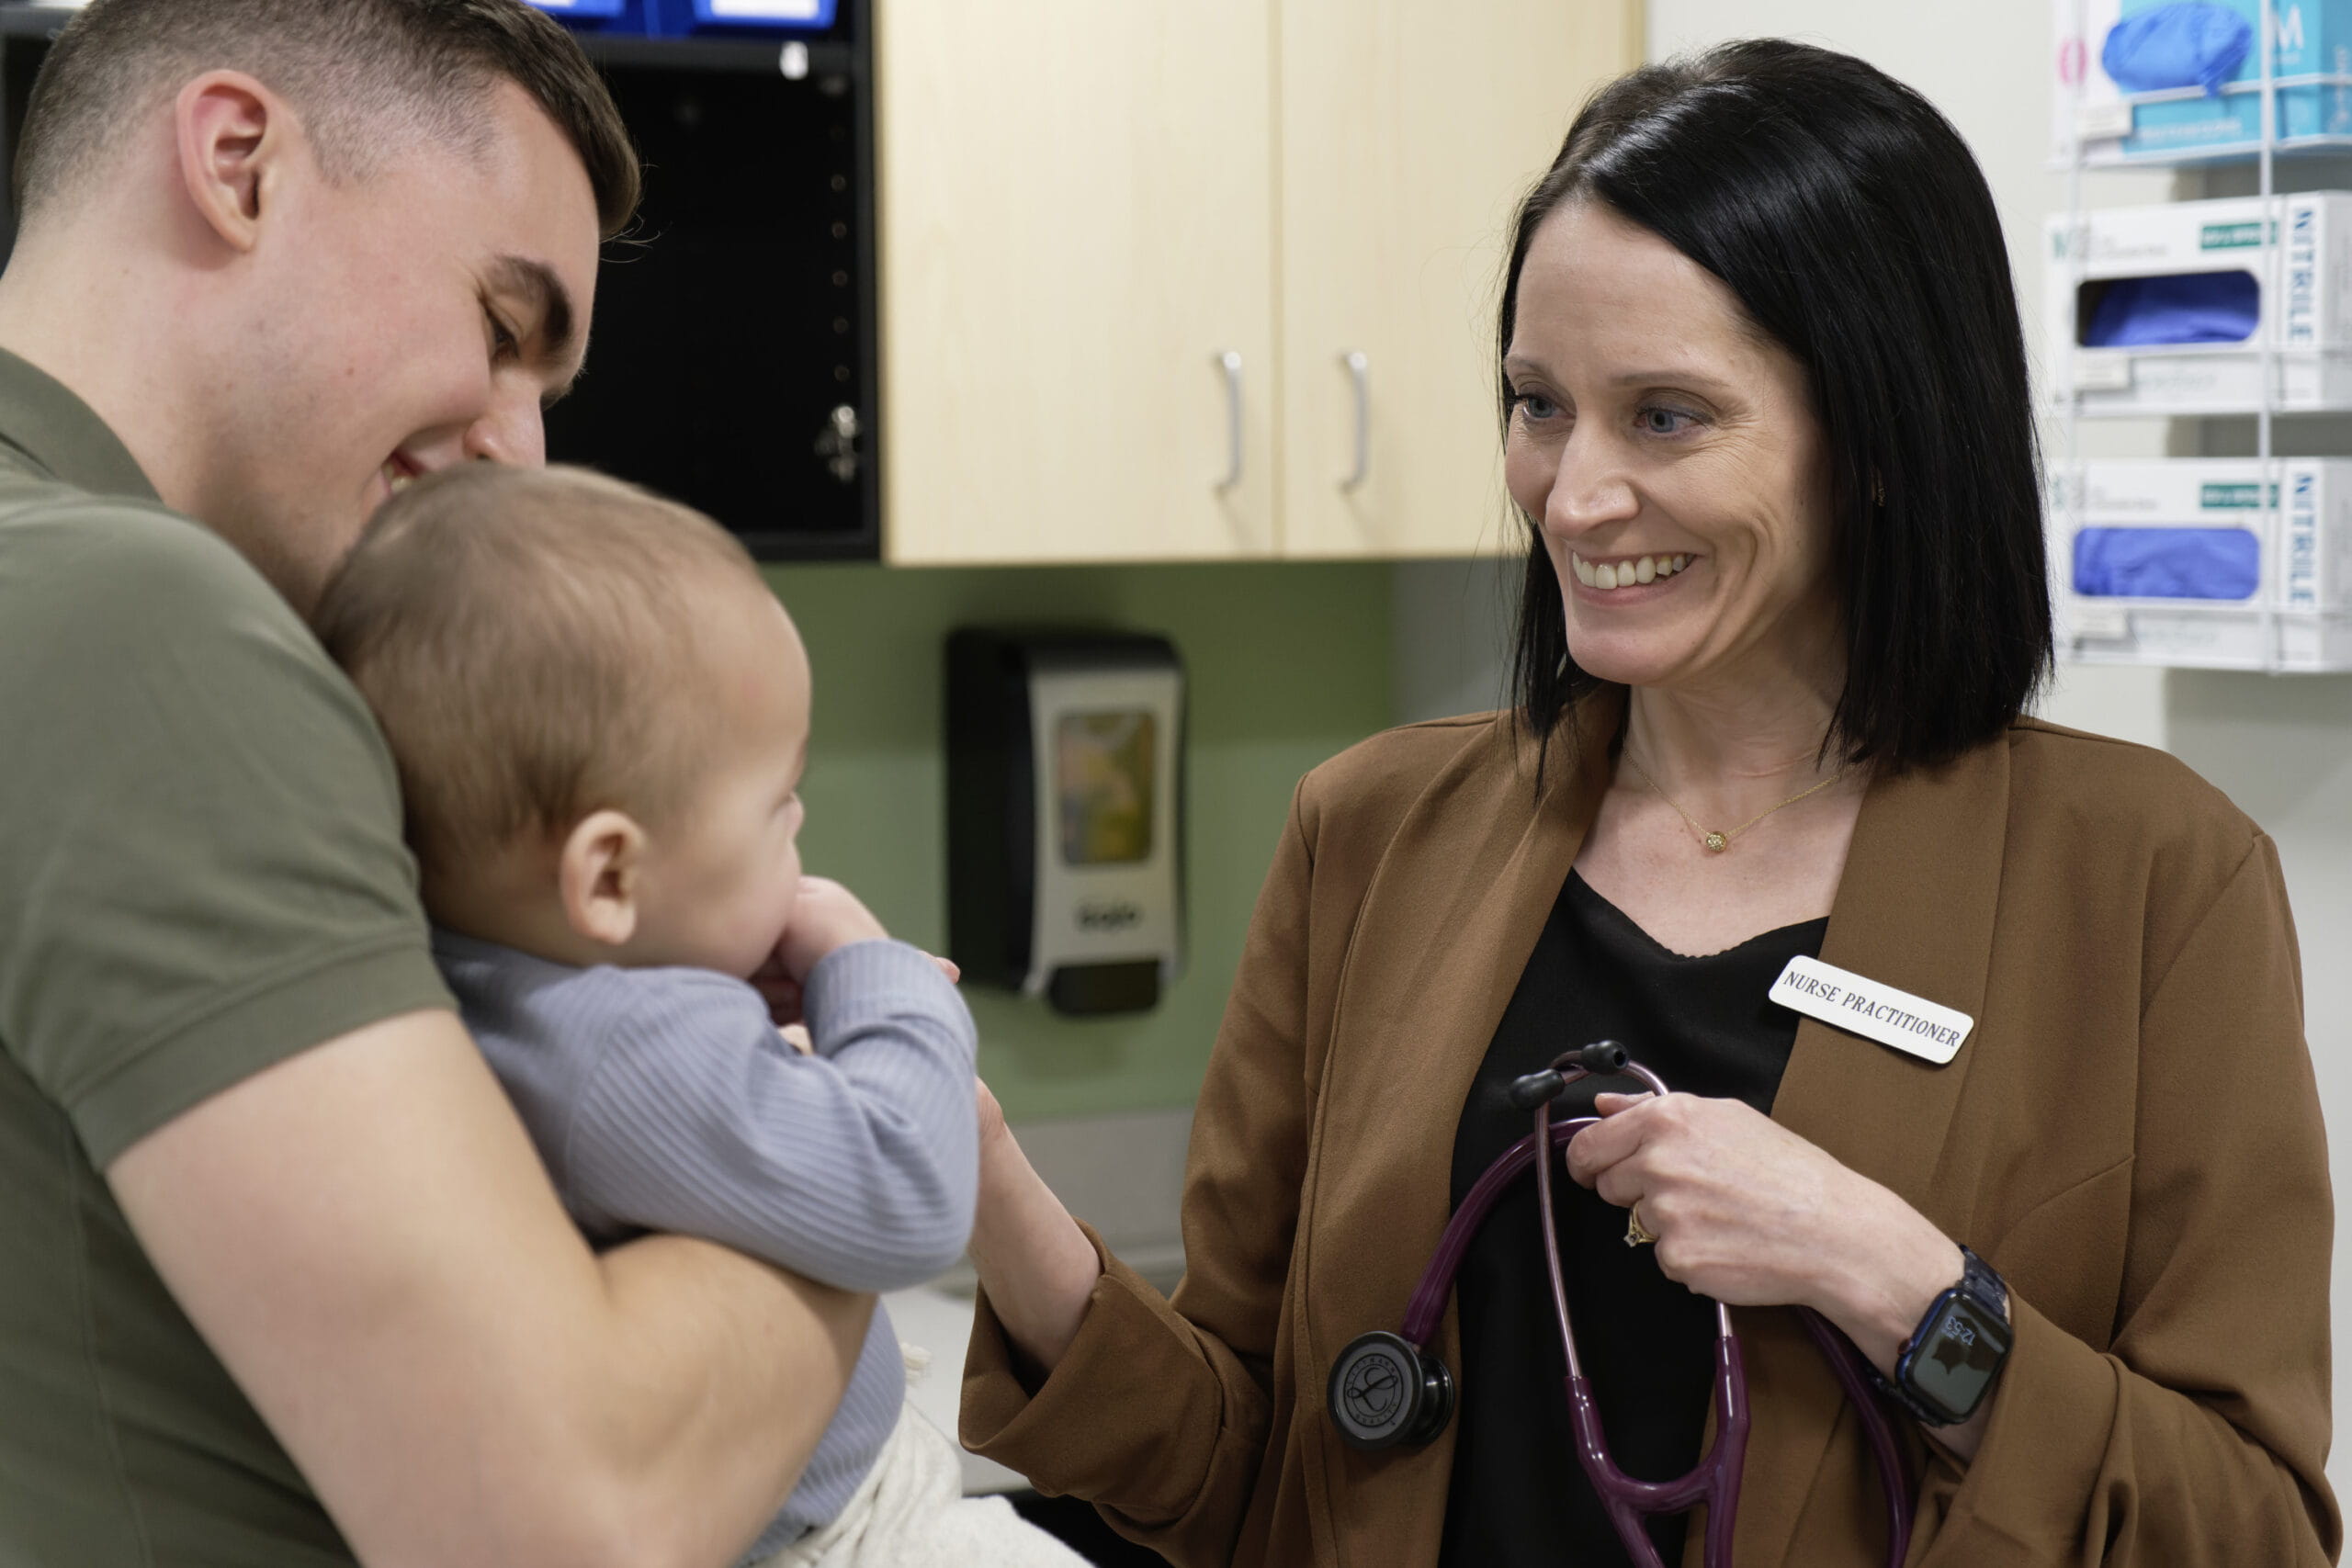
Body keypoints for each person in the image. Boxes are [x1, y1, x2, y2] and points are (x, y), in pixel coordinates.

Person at [955, 39, 2340, 1568]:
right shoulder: (1369, 834)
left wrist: (1891, 1275)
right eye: (1539, 403)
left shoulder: (2152, 884)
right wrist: (984, 1176)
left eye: (1667, 415)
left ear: (1878, 439)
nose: (1573, 492)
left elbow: (2250, 1530)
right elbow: (1238, 1467)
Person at [0, 4, 873, 1564]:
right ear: (239, 162)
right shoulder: (143, 626)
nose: (520, 450)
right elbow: (577, 1514)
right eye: (499, 325)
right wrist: (851, 1151)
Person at [312, 461, 1091, 1568]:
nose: (799, 824)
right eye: (776, 802)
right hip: (856, 1533)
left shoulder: (481, 991)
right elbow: (909, 1190)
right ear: (610, 880)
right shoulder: (628, 1049)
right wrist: (881, 973)